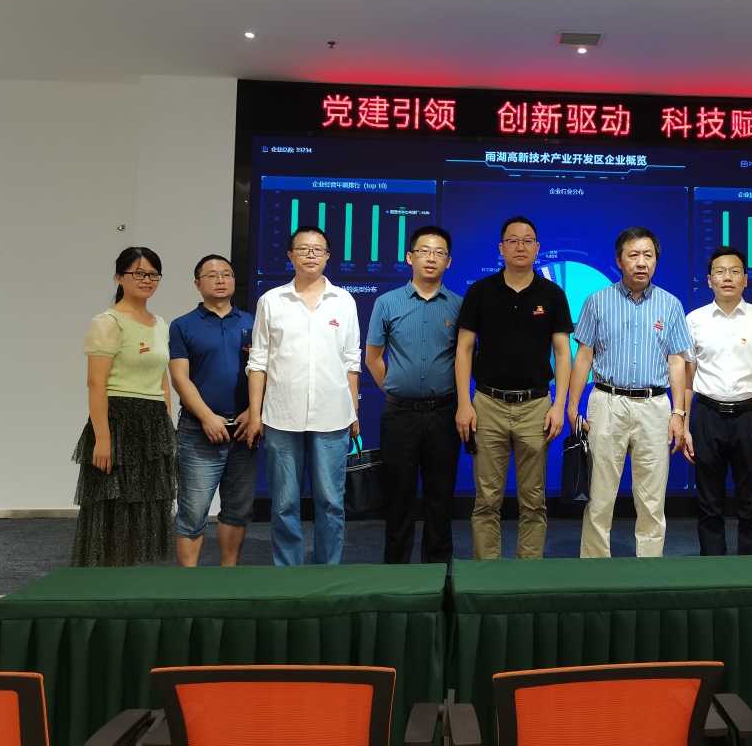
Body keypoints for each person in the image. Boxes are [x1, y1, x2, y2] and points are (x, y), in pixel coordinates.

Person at [568, 227, 691, 559]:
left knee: (652, 500)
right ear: (619, 260)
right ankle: (595, 571)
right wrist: (572, 406)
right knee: (599, 497)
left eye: (648, 255)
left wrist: (679, 413)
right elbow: (583, 357)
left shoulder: (670, 304)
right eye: (633, 255)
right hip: (607, 402)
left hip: (655, 406)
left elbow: (677, 362)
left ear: (656, 260)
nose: (641, 262)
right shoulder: (597, 301)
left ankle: (649, 571)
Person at [455, 216, 573, 560]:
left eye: (527, 240)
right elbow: (464, 350)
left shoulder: (552, 294)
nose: (520, 246)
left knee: (533, 501)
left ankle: (527, 575)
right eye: (513, 240)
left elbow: (563, 353)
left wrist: (558, 405)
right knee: (486, 501)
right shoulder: (480, 292)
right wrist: (464, 403)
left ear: (537, 248)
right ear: (501, 248)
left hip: (535, 407)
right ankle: (486, 575)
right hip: (487, 404)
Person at [244, 226, 361, 566]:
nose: (311, 254)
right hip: (282, 417)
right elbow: (258, 362)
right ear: (290, 255)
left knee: (331, 503)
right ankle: (288, 574)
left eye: (317, 249)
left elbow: (351, 362)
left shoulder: (344, 301)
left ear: (327, 256)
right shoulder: (271, 301)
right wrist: (255, 414)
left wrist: (353, 411)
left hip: (333, 417)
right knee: (284, 504)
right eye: (303, 248)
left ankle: (327, 571)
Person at [72, 246, 175, 567]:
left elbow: (162, 379)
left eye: (153, 274)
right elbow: (96, 384)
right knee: (114, 509)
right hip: (117, 421)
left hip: (152, 424)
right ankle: (107, 582)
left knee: (147, 507)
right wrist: (103, 439)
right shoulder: (108, 322)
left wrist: (167, 427)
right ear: (119, 277)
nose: (147, 280)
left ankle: (136, 578)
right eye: (138, 273)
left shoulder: (160, 324)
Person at [366, 226, 462, 564]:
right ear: (410, 257)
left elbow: (465, 358)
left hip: (444, 415)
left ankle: (438, 572)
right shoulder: (386, 302)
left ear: (448, 261)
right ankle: (397, 574)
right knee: (399, 498)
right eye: (424, 251)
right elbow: (373, 358)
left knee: (440, 498)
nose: (431, 258)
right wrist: (396, 390)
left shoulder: (459, 306)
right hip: (400, 416)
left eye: (439, 252)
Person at [684, 246, 752, 555]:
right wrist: (685, 426)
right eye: (719, 272)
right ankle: (713, 567)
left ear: (745, 279)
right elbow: (687, 380)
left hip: (750, 418)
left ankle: (751, 569)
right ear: (709, 280)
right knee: (708, 503)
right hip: (707, 416)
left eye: (734, 271)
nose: (727, 277)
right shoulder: (694, 320)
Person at [168, 255, 256, 567]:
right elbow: (179, 378)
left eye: (227, 274)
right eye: (212, 275)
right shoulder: (182, 325)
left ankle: (227, 576)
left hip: (245, 431)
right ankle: (188, 582)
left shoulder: (253, 323)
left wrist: (254, 411)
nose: (220, 280)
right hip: (199, 431)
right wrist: (207, 417)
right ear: (197, 283)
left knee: (237, 510)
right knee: (193, 512)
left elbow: (268, 372)